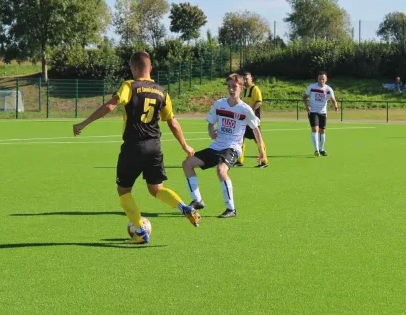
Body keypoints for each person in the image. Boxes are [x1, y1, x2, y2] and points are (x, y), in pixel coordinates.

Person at [73, 51, 200, 244]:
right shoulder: (161, 91)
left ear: (133, 68)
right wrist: (185, 145)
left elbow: (110, 106)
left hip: (133, 147)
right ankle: (184, 207)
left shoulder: (129, 86)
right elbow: (172, 122)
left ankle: (140, 230)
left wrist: (83, 123)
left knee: (123, 191)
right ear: (151, 68)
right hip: (155, 148)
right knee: (156, 189)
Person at [182, 73, 266, 218]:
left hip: (232, 147)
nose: (231, 89)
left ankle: (231, 209)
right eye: (229, 86)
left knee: (221, 170)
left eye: (234, 86)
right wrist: (210, 132)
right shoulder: (219, 104)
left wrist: (262, 151)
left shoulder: (245, 109)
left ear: (241, 88)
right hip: (216, 146)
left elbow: (255, 129)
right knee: (187, 164)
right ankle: (197, 200)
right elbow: (210, 123)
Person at [235, 71, 268, 168]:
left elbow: (259, 102)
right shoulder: (245, 90)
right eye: (244, 79)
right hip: (244, 119)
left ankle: (264, 161)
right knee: (241, 138)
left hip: (253, 119)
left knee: (258, 140)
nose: (245, 81)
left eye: (247, 79)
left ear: (251, 79)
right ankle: (239, 160)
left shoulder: (255, 89)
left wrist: (250, 111)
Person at [302, 71, 339, 157]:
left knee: (322, 131)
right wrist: (307, 106)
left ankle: (322, 149)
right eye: (319, 79)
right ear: (317, 79)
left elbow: (333, 100)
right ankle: (316, 149)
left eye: (323, 79)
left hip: (323, 112)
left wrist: (335, 106)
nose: (321, 80)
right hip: (313, 111)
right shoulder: (312, 87)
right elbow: (304, 97)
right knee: (315, 129)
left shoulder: (328, 89)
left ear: (326, 79)